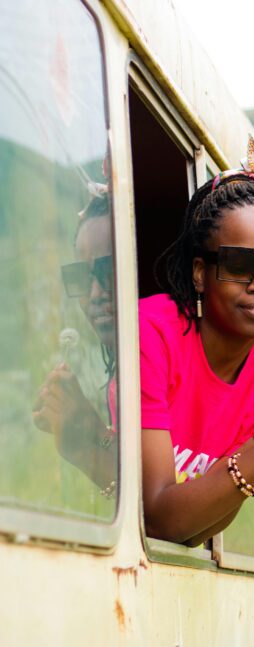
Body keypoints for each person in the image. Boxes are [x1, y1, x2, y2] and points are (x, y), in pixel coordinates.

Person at [140, 137, 254, 546]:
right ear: (198, 273)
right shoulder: (152, 333)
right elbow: (159, 520)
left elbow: (197, 532)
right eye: (239, 264)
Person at [33, 188, 119, 497]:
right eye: (82, 277)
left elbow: (165, 512)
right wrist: (83, 432)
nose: (95, 293)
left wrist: (87, 441)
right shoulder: (120, 381)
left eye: (109, 271)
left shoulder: (174, 371)